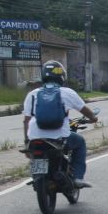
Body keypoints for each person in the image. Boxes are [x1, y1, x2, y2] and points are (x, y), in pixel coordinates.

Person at [22, 60, 98, 188]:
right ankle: (78, 178)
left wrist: (26, 141)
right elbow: (85, 110)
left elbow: (26, 121)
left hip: (35, 137)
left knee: (35, 152)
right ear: (61, 76)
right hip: (59, 137)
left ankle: (36, 175)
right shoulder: (67, 92)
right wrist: (93, 118)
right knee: (80, 143)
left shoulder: (32, 94)